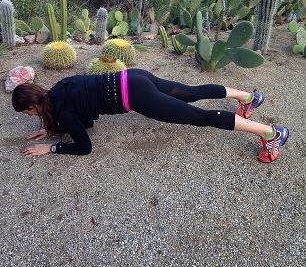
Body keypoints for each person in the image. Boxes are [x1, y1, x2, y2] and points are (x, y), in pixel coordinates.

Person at [11, 68, 289, 163]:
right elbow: (84, 118)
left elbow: (84, 146)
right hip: (133, 76)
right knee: (190, 92)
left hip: (136, 97)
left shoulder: (63, 111)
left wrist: (52, 146)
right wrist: (50, 128)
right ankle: (248, 97)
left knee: (198, 116)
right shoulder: (59, 88)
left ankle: (271, 133)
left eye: (27, 113)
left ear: (31, 107)